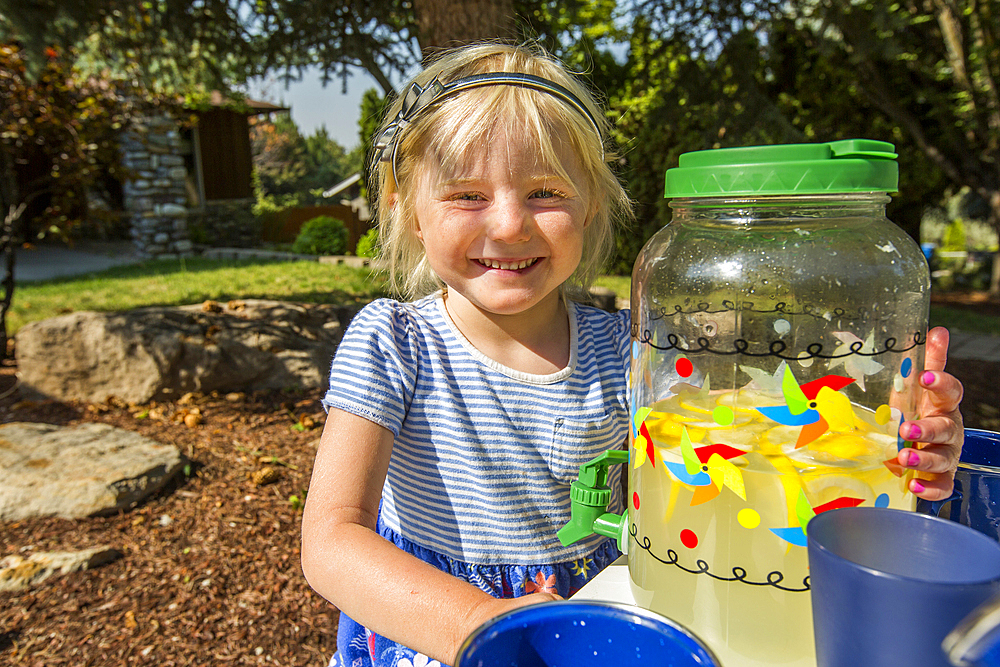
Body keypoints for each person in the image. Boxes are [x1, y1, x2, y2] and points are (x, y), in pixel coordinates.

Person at [300, 42, 965, 667]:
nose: (508, 223)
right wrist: (482, 618)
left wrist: (891, 441)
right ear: (408, 210)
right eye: (467, 195)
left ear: (591, 207)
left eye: (546, 192)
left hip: (600, 618)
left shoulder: (626, 347)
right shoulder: (393, 342)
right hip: (437, 628)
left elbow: (767, 439)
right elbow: (331, 540)